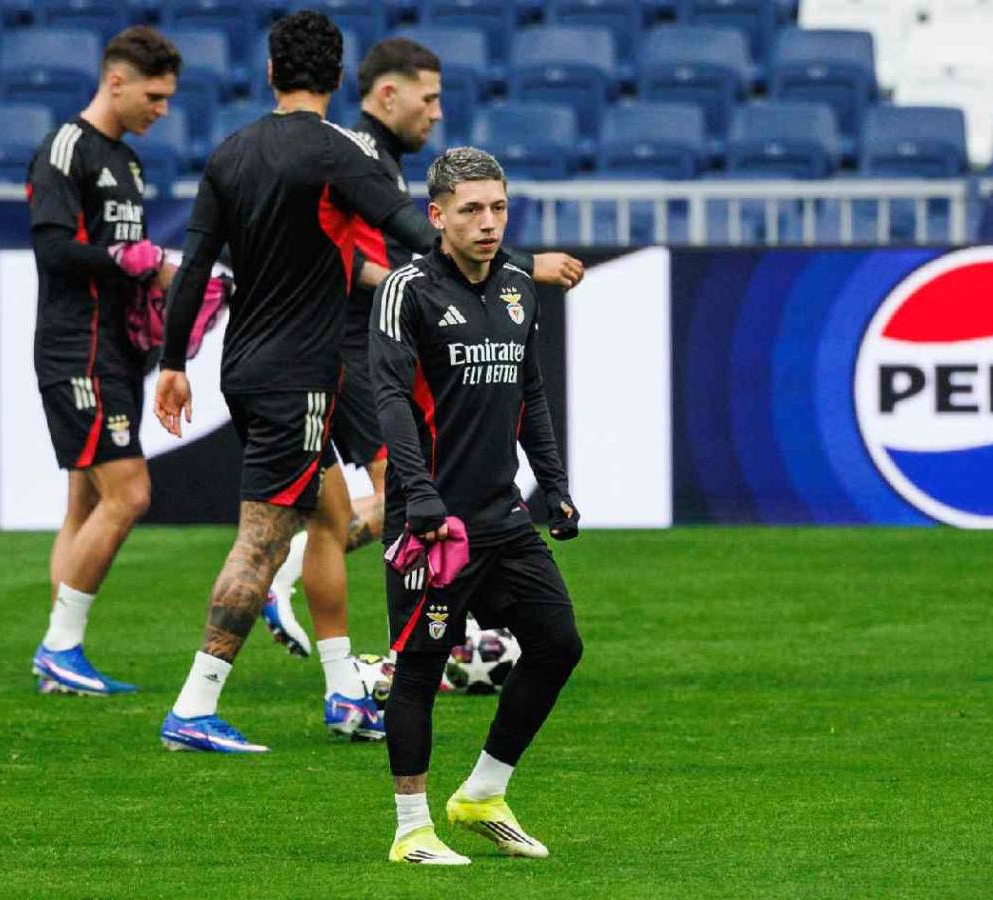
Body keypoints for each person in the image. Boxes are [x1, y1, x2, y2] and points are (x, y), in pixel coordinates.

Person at [153, 11, 456, 751]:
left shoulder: (230, 152)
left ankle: (343, 694)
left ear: (269, 74)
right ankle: (194, 705)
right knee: (262, 541)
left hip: (241, 370)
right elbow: (411, 230)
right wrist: (484, 267)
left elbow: (193, 269)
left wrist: (170, 364)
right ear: (341, 79)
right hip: (302, 378)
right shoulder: (338, 153)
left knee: (323, 520)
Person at [261, 37, 585, 660]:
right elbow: (336, 250)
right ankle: (406, 637)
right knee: (411, 488)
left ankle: (420, 623)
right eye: (428, 97)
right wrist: (519, 264)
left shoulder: (375, 155)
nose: (436, 112)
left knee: (406, 490)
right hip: (356, 344)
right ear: (388, 93)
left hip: (360, 340)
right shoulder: (354, 154)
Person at [370, 147, 584, 864]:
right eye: (470, 210)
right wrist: (419, 495)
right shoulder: (406, 290)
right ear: (437, 216)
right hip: (435, 526)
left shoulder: (521, 288)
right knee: (422, 672)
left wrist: (552, 484)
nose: (488, 223)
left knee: (558, 643)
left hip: (501, 518)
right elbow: (392, 399)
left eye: (497, 208)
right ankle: (411, 830)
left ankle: (484, 792)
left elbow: (531, 395)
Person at [27, 27, 181, 696]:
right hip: (76, 347)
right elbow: (54, 249)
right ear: (115, 81)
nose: (163, 110)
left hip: (113, 346)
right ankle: (59, 648)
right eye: (154, 95)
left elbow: (128, 259)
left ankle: (61, 659)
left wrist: (154, 286)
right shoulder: (67, 149)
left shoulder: (130, 163)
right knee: (131, 493)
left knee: (84, 501)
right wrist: (131, 261)